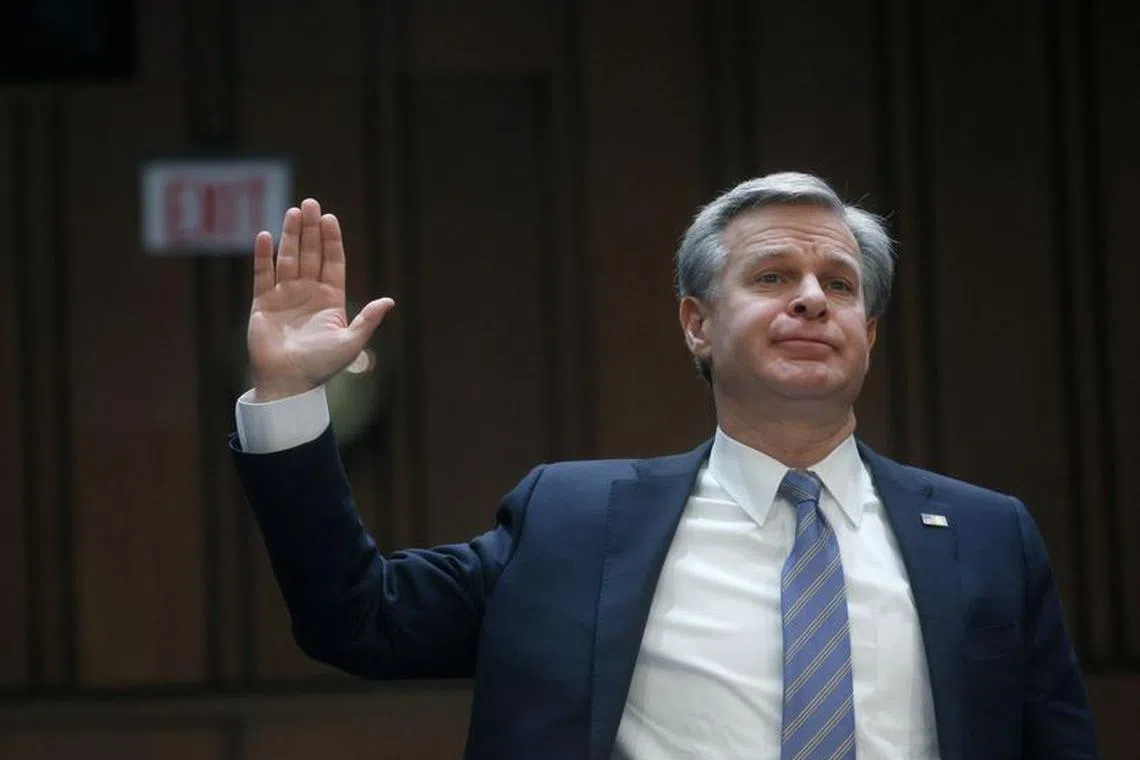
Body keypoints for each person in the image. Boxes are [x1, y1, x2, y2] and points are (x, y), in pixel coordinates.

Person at [230, 172, 1098, 759]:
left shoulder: (987, 535)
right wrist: (288, 395)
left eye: (839, 284)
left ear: (867, 334)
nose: (811, 298)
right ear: (696, 324)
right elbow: (358, 617)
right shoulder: (573, 522)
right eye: (772, 276)